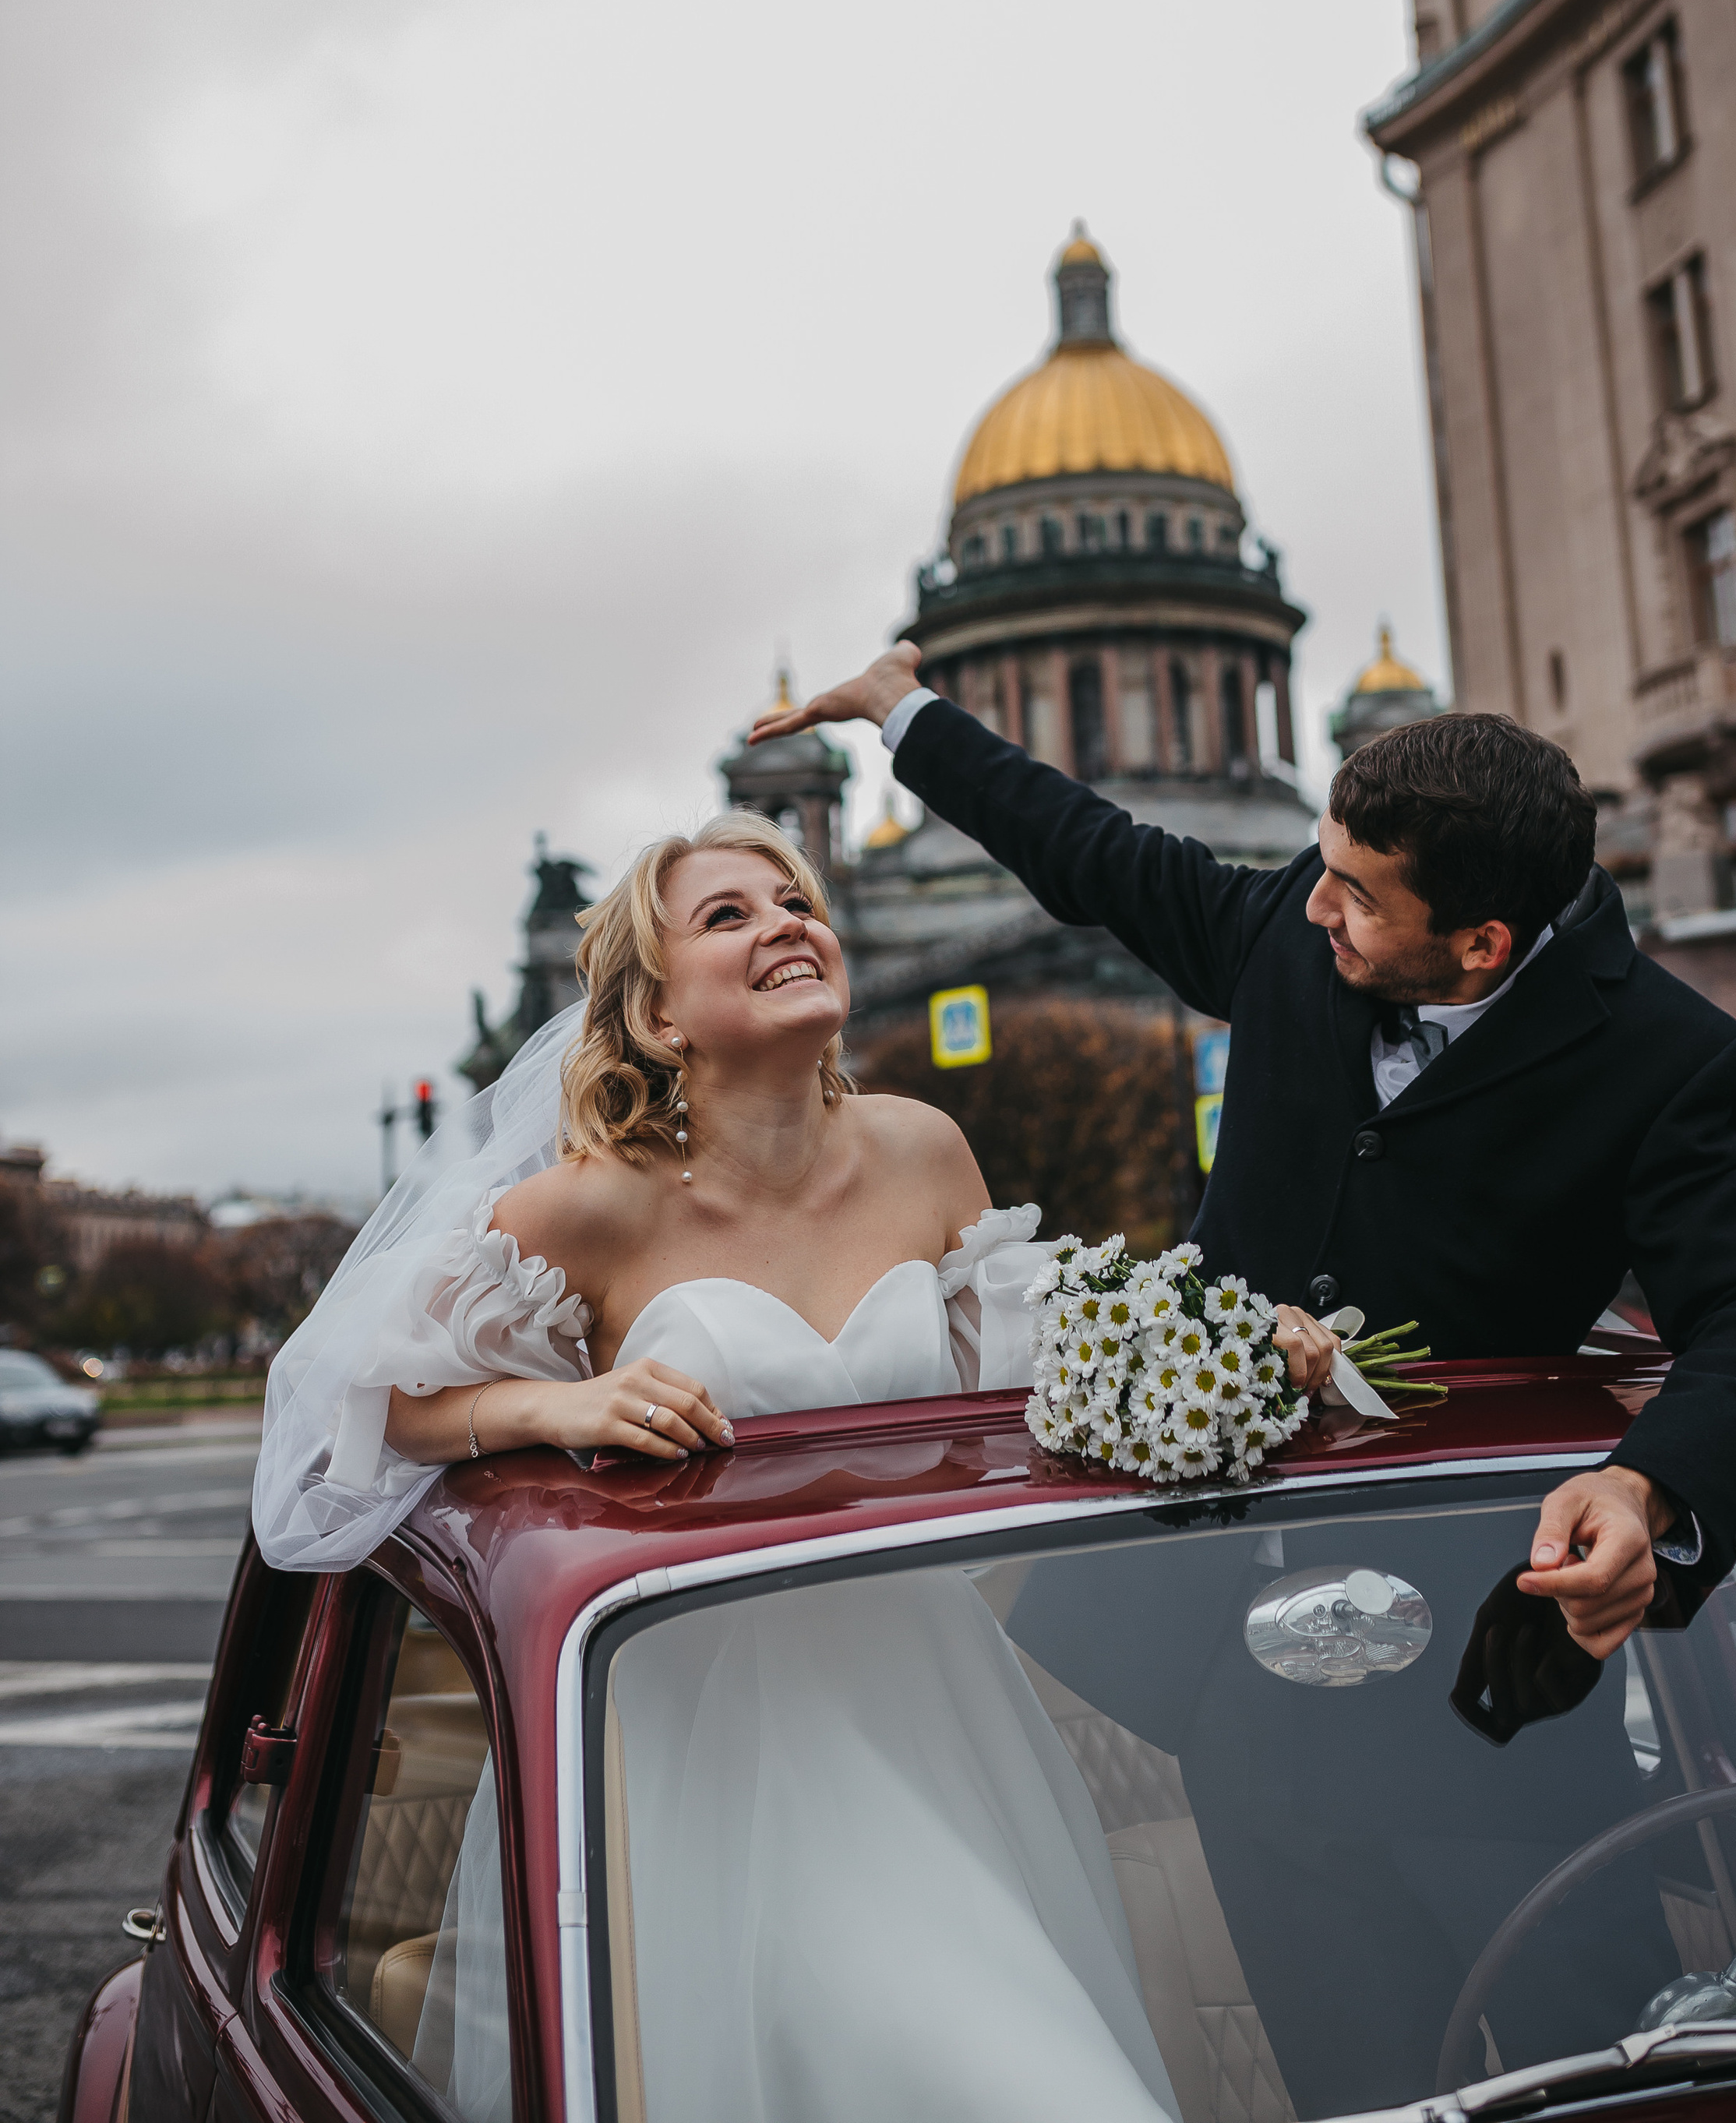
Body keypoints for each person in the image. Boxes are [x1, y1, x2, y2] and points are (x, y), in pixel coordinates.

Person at [252, 812, 1180, 2123]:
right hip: (722, 1746)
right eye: (728, 916)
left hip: (945, 1710)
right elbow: (357, 1394)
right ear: (658, 1013)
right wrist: (554, 1399)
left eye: (794, 900)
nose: (787, 923)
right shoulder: (590, 1206)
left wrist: (1241, 1348)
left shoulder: (925, 1150)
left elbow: (1045, 1367)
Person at [752, 646, 1736, 1659]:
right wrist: (903, 713)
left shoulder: (1667, 1060)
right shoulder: (1300, 915)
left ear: (1482, 945)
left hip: (1446, 1622)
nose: (1314, 904)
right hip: (1168, 1599)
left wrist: (1641, 1489)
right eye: (1321, 865)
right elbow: (1095, 855)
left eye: (1358, 896)